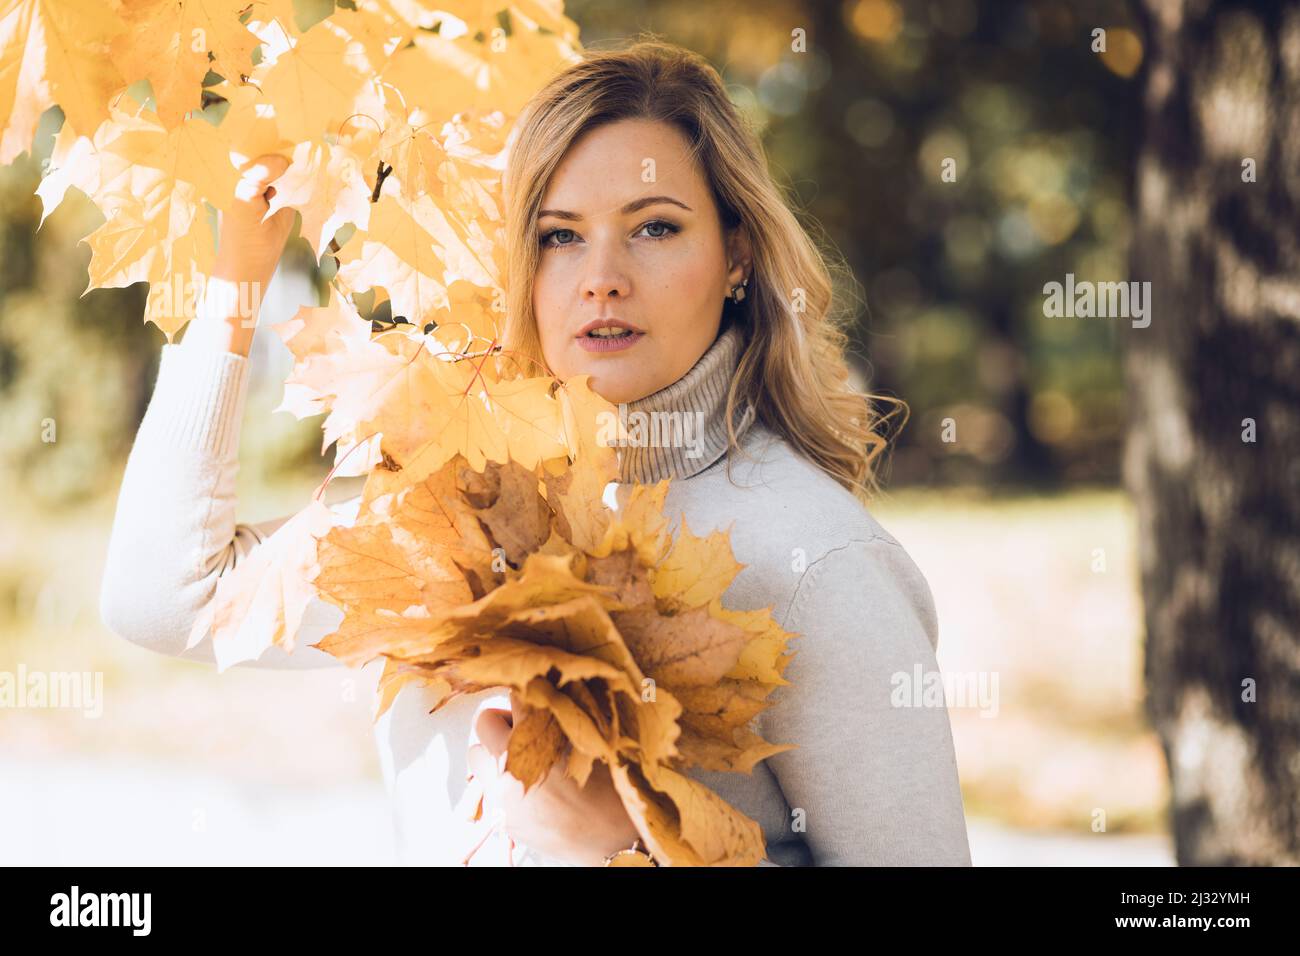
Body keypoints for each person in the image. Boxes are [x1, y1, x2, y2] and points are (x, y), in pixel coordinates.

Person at [100, 40, 972, 867]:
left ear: (737, 254)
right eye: (559, 235)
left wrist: (627, 852)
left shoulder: (817, 560)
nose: (602, 276)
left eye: (655, 227)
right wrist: (233, 284)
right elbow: (166, 597)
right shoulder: (458, 505)